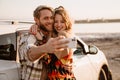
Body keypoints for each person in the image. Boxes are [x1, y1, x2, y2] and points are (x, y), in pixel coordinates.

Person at [18, 5, 69, 80]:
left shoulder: (53, 36)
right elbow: (29, 53)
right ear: (36, 20)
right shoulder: (29, 37)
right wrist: (45, 48)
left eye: (51, 18)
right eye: (46, 18)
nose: (50, 21)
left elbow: (68, 52)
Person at [30, 6, 76, 80]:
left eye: (62, 22)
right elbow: (70, 56)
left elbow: (59, 55)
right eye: (56, 21)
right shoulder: (69, 35)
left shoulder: (63, 34)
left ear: (67, 22)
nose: (58, 25)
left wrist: (42, 38)